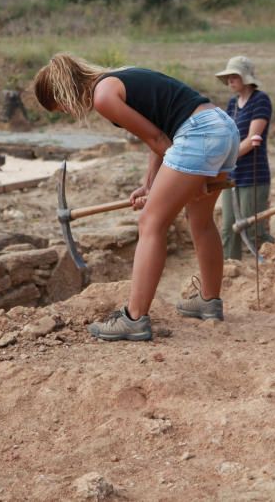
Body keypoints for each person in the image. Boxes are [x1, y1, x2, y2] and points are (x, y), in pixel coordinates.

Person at [34, 54, 239, 341]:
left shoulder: (104, 96)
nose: (68, 112)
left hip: (198, 135)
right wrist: (149, 185)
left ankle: (134, 317)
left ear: (64, 92)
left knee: (150, 222)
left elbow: (159, 140)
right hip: (220, 126)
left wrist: (160, 194)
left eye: (62, 107)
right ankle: (208, 301)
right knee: (200, 220)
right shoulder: (121, 77)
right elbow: (160, 131)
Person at [214, 56, 275, 260]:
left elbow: (251, 139)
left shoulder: (260, 100)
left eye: (235, 76)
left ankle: (271, 265)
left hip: (253, 174)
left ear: (245, 78)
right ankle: (231, 270)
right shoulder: (232, 104)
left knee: (254, 230)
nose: (231, 81)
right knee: (229, 229)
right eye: (228, 77)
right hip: (232, 175)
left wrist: (226, 158)